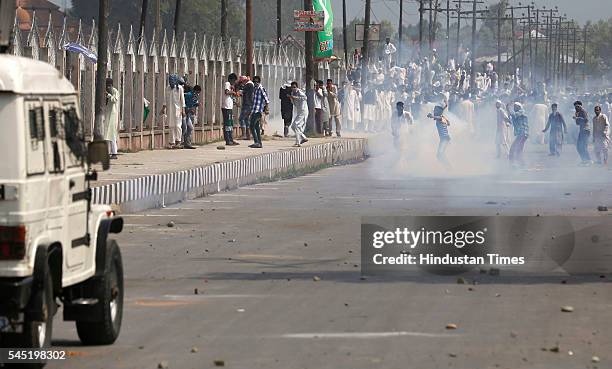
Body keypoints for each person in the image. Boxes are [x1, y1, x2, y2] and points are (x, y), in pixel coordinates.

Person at [161, 74, 185, 149]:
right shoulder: (167, 88)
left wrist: (183, 111)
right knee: (171, 125)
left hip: (178, 110)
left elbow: (182, 100)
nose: (171, 82)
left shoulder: (180, 88)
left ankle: (178, 141)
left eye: (172, 80)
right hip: (170, 110)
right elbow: (165, 100)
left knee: (177, 125)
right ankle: (172, 142)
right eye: (170, 80)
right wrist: (163, 108)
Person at [249, 75, 269, 148]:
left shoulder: (261, 89)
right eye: (254, 81)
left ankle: (256, 142)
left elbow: (267, 100)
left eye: (257, 81)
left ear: (259, 82)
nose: (255, 83)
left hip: (258, 111)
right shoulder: (255, 88)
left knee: (251, 126)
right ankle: (259, 143)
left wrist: (266, 109)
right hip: (254, 110)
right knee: (256, 127)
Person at [104, 77, 120, 159]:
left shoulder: (115, 91)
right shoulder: (106, 91)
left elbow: (114, 100)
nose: (108, 87)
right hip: (107, 115)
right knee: (106, 135)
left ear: (111, 85)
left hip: (113, 116)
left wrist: (109, 95)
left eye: (109, 85)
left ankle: (114, 153)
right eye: (107, 85)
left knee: (112, 135)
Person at [288, 81, 309, 147]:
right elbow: (294, 103)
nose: (294, 88)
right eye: (292, 87)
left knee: (295, 125)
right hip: (300, 111)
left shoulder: (299, 92)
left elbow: (305, 98)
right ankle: (303, 137)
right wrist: (291, 98)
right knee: (294, 126)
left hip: (303, 111)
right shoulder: (292, 93)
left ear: (297, 87)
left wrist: (294, 97)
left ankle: (298, 142)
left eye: (295, 87)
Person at [509, 102, 529, 167]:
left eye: (516, 107)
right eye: (514, 106)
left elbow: (514, 115)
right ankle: (521, 163)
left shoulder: (521, 112)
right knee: (519, 149)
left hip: (522, 133)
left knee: (513, 148)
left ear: (519, 107)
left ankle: (513, 163)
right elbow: (512, 119)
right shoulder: (519, 113)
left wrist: (508, 109)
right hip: (522, 134)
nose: (514, 108)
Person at [222, 73, 240, 146]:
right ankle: (228, 140)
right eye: (234, 81)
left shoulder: (231, 86)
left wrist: (236, 102)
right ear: (231, 79)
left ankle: (231, 139)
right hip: (226, 107)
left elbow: (231, 97)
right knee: (227, 124)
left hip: (229, 107)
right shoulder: (227, 83)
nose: (235, 82)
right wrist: (233, 92)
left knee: (230, 124)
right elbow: (226, 92)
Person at [572, 100, 592, 165]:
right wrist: (576, 118)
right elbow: (577, 123)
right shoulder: (577, 112)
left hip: (586, 130)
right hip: (582, 130)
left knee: (583, 146)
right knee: (578, 146)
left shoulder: (583, 111)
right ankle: (584, 160)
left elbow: (586, 120)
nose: (576, 108)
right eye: (575, 107)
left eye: (577, 106)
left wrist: (577, 118)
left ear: (580, 106)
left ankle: (588, 160)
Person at [182, 84, 201, 149]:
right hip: (184, 113)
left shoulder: (194, 95)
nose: (198, 94)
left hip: (188, 114)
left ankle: (187, 143)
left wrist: (196, 104)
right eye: (197, 92)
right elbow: (184, 104)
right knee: (184, 128)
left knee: (190, 128)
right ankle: (183, 142)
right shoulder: (189, 95)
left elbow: (193, 103)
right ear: (195, 91)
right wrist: (189, 109)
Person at [238, 76, 254, 140]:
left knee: (241, 119)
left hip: (247, 104)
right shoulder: (250, 85)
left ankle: (244, 135)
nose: (242, 83)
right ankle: (248, 135)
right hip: (249, 104)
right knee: (246, 120)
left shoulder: (249, 85)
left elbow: (241, 91)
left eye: (242, 82)